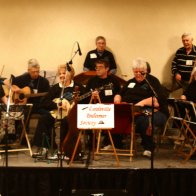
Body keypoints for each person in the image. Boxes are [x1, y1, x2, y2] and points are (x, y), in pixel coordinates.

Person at [114, 58, 169, 157]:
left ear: (146, 71)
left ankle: (148, 147)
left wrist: (142, 103)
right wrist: (117, 98)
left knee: (144, 120)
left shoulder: (152, 81)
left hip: (154, 111)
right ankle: (115, 143)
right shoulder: (130, 82)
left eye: (141, 72)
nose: (138, 74)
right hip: (131, 110)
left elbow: (158, 101)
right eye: (136, 72)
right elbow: (120, 94)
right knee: (115, 115)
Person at [32, 64, 86, 158]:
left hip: (72, 115)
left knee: (66, 121)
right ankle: (45, 147)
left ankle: (64, 148)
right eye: (60, 74)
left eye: (64, 73)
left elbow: (85, 101)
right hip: (57, 114)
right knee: (43, 119)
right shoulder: (56, 88)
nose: (61, 75)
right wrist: (58, 105)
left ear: (70, 74)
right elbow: (44, 102)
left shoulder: (78, 86)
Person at [86, 59, 121, 148]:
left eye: (100, 67)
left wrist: (118, 96)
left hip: (110, 108)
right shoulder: (91, 81)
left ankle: (110, 142)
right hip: (95, 108)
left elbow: (120, 93)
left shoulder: (114, 81)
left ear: (107, 69)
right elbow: (85, 97)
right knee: (86, 113)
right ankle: (92, 141)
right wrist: (92, 97)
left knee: (119, 115)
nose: (97, 69)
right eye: (96, 67)